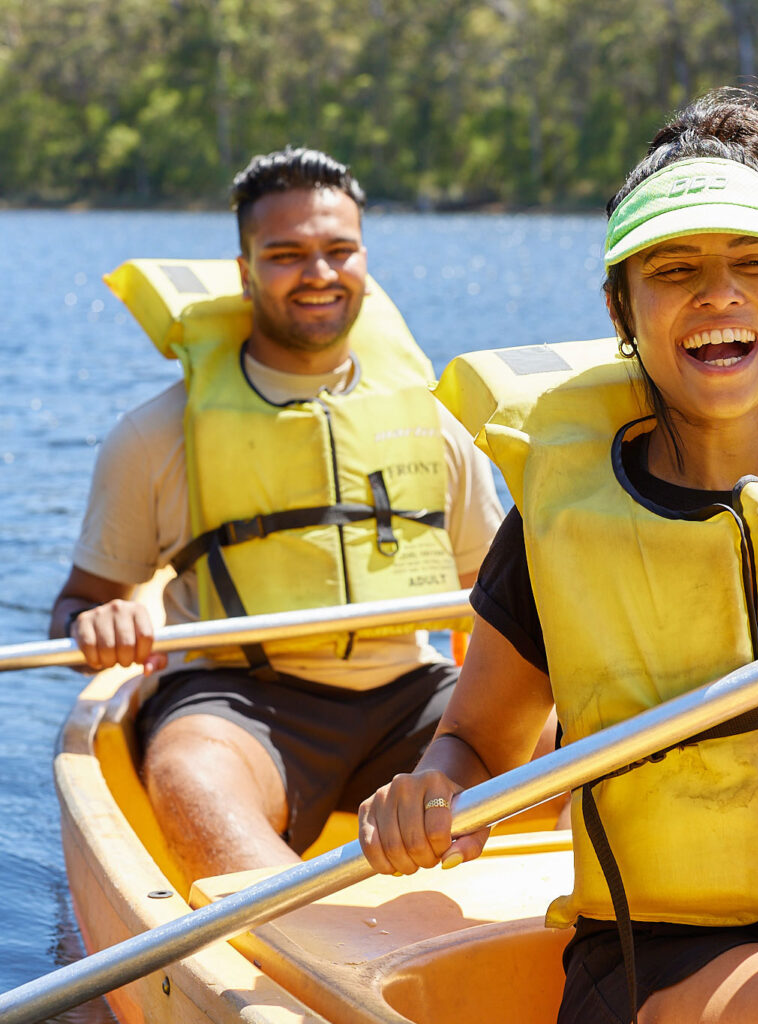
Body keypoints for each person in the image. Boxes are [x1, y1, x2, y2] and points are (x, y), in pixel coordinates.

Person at [358, 89, 758, 1024]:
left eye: (753, 264)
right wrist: (429, 792)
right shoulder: (561, 521)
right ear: (621, 308)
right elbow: (477, 744)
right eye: (674, 270)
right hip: (668, 959)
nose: (720, 294)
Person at [50, 147, 504, 882]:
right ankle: (294, 964)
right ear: (244, 271)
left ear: (364, 261)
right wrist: (91, 625)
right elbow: (79, 603)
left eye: (339, 251)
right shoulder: (153, 437)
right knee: (190, 771)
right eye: (286, 254)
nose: (318, 274)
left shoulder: (438, 423)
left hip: (414, 699)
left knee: (571, 732)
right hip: (242, 702)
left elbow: (495, 608)